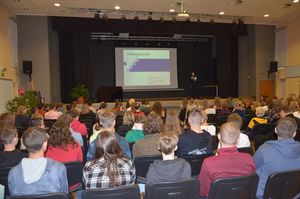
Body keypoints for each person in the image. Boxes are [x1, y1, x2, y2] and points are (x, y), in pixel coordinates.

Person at [198, 122, 256, 197]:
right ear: (238, 140)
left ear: (219, 137)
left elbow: (203, 191)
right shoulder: (249, 159)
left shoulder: (208, 162)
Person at [8, 127, 68, 196]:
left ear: (24, 145)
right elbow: (64, 195)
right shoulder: (59, 168)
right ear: (45, 144)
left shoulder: (13, 173)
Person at [253, 117, 300, 198]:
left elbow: (251, 168)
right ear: (294, 133)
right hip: (294, 194)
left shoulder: (264, 150)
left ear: (275, 130)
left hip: (265, 195)